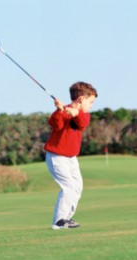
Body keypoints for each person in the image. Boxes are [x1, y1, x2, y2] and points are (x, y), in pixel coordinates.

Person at [44, 81, 98, 229]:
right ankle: (58, 221)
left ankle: (66, 218)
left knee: (77, 188)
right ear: (81, 99)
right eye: (91, 102)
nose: (92, 105)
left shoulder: (84, 115)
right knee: (68, 187)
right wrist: (59, 111)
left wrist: (75, 113)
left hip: (72, 158)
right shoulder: (63, 112)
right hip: (56, 157)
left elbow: (81, 123)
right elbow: (55, 124)